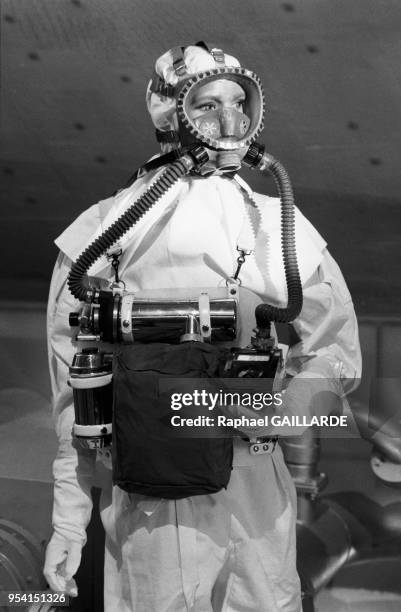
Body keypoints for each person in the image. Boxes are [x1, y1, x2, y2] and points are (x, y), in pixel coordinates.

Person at [44, 43, 361, 611]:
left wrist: (267, 412)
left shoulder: (275, 225)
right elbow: (74, 390)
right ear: (167, 109)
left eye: (240, 101)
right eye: (208, 103)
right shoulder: (104, 230)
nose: (230, 119)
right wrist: (70, 519)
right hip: (151, 497)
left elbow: (338, 355)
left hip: (254, 490)